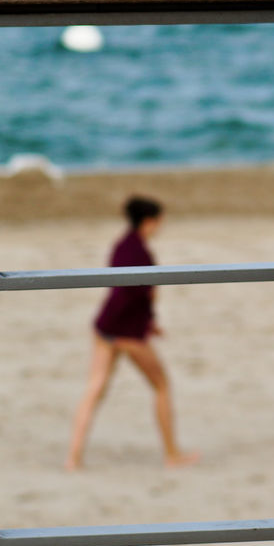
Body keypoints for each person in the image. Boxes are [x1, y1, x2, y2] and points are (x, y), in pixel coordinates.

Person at [65, 196, 200, 470]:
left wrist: (148, 322)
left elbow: (124, 292)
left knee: (95, 389)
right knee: (161, 385)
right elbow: (138, 294)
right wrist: (144, 323)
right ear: (149, 222)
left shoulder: (122, 244)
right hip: (126, 332)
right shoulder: (139, 252)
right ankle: (171, 454)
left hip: (105, 327)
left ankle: (73, 457)